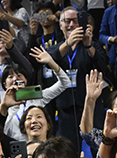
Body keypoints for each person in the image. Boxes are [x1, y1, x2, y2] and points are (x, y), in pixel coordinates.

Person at [48, 7, 105, 144]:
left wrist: (88, 45)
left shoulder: (92, 45)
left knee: (98, 147)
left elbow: (103, 67)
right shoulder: (55, 48)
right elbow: (47, 61)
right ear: (60, 25)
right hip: (66, 109)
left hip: (91, 106)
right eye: (67, 21)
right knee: (68, 152)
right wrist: (68, 44)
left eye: (75, 21)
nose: (71, 25)